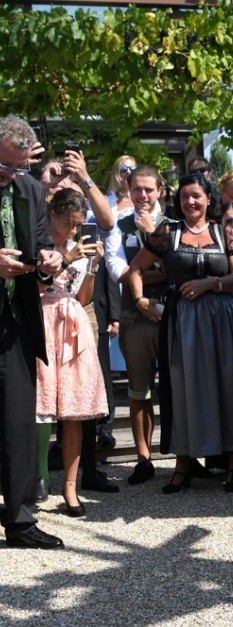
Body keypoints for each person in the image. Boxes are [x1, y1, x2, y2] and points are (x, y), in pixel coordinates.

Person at [125, 173, 233, 493]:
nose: (190, 202)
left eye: (196, 196)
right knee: (183, 387)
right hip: (181, 322)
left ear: (209, 198)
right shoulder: (167, 232)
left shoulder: (225, 230)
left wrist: (208, 284)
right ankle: (183, 463)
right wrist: (142, 301)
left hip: (222, 319)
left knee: (231, 386)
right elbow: (135, 269)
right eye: (185, 196)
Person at [0, 115, 65, 549]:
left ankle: (20, 520)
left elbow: (44, 243)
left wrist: (49, 263)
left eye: (21, 167)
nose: (14, 175)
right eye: (5, 168)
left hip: (14, 320)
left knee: (18, 421)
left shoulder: (28, 190)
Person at [36, 188, 110, 516]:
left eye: (78, 225)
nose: (73, 230)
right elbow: (36, 285)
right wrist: (66, 256)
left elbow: (82, 297)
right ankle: (32, 478)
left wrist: (92, 266)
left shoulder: (81, 247)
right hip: (40, 320)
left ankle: (70, 486)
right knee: (36, 407)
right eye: (69, 222)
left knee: (74, 411)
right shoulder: (39, 242)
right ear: (53, 214)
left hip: (71, 324)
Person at [103, 166, 170, 485]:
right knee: (138, 389)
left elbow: (177, 269)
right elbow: (117, 268)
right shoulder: (119, 224)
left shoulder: (174, 222)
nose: (143, 196)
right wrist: (144, 273)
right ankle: (144, 458)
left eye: (148, 190)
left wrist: (143, 267)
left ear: (160, 190)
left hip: (171, 312)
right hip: (135, 316)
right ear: (129, 190)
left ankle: (181, 454)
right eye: (137, 190)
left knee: (175, 387)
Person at [104, 154, 136, 218]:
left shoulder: (142, 197)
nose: (128, 172)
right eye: (124, 169)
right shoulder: (108, 200)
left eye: (132, 168)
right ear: (116, 172)